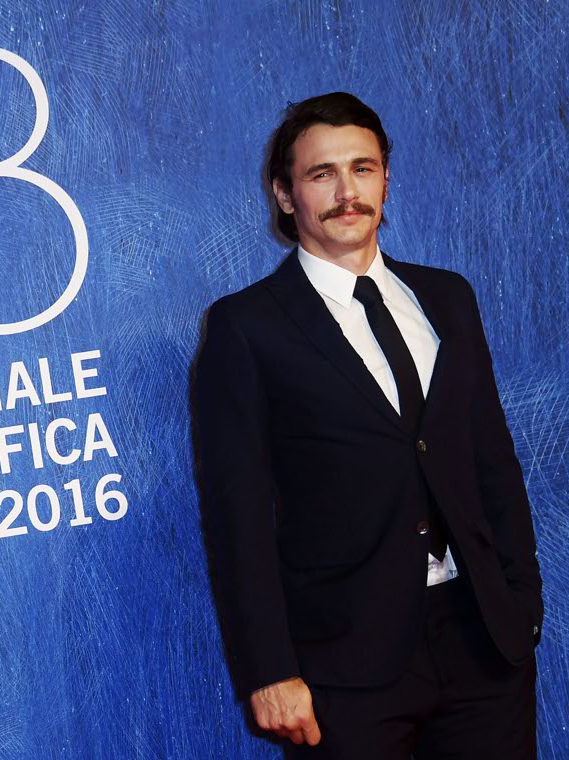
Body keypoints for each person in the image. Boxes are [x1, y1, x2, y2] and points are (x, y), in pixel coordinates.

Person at [194, 92, 543, 758]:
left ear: (385, 180)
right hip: (343, 661)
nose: (346, 192)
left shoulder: (447, 297)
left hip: (482, 641)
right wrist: (269, 670)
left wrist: (521, 599)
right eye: (321, 173)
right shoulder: (247, 327)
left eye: (362, 168)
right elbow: (237, 517)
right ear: (285, 195)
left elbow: (492, 461)